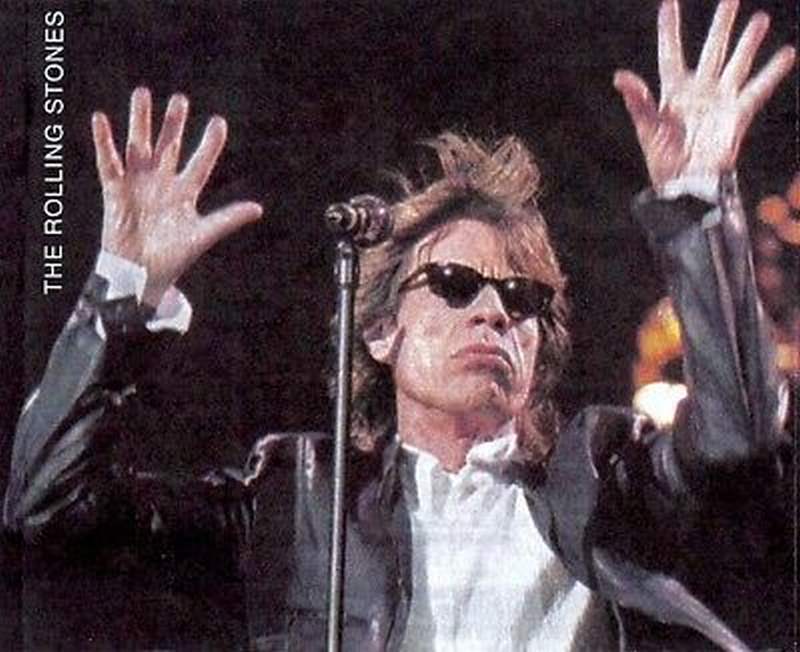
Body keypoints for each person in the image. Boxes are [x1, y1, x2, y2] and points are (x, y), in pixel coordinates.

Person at [3, 0, 795, 650]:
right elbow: (47, 510)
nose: (495, 310)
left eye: (522, 299)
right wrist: (125, 293)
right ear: (381, 331)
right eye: (455, 284)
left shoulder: (604, 480)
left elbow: (740, 437)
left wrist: (697, 207)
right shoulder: (298, 504)